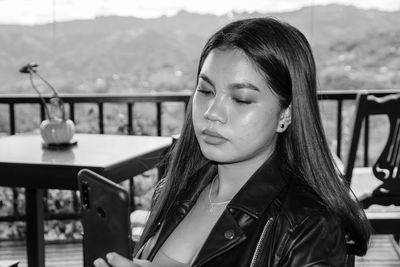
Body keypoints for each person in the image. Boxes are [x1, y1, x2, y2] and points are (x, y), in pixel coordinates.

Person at [94, 17, 371, 267]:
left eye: (241, 99)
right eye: (205, 90)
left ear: (285, 114)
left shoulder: (309, 226)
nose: (211, 112)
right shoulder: (177, 187)